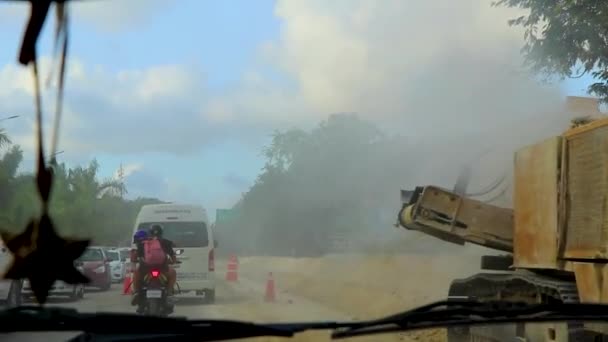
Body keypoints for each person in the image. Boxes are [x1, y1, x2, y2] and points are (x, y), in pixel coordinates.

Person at [132, 224, 178, 309]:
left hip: (145, 270)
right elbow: (173, 257)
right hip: (162, 269)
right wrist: (173, 261)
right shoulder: (165, 242)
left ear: (150, 233)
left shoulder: (144, 243)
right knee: (173, 273)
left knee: (136, 274)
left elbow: (135, 257)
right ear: (161, 233)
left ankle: (136, 292)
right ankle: (169, 293)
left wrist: (135, 262)